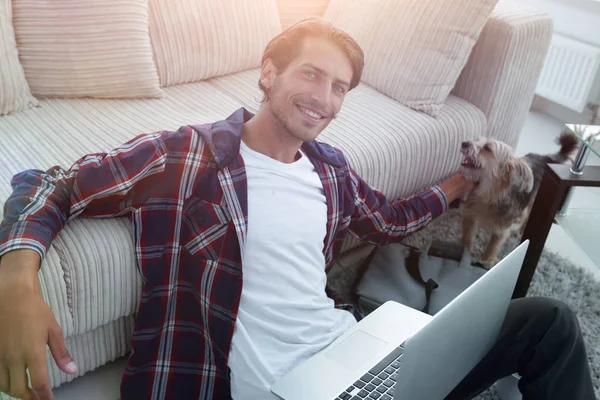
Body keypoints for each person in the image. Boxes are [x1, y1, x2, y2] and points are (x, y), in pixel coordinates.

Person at [0, 18, 594, 400]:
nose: (325, 99)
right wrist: (15, 280)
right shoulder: (189, 153)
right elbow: (53, 183)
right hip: (271, 387)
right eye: (312, 74)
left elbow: (387, 219)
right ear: (268, 73)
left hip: (355, 355)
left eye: (340, 87)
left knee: (549, 322)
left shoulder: (329, 168)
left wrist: (458, 188)